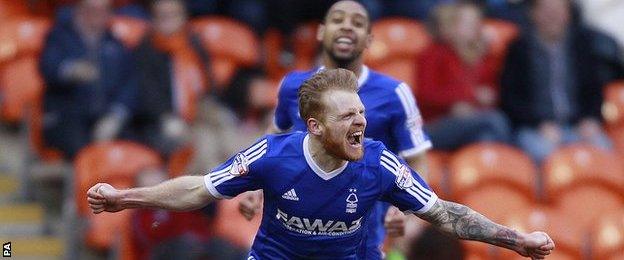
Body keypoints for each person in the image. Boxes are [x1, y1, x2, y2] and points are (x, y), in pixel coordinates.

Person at [87, 69, 555, 259]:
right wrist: (125, 198)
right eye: (347, 114)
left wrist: (516, 240)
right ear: (314, 126)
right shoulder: (273, 154)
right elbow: (199, 189)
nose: (361, 121)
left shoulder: (378, 163)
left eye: (362, 111)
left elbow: (444, 214)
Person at [240, 1, 431, 258]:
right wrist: (254, 187)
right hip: (288, 244)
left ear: (369, 39)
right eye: (338, 20)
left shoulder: (395, 94)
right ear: (320, 32)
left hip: (359, 245)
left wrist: (408, 213)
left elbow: (417, 158)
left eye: (357, 23)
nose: (347, 27)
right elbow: (274, 136)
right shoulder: (293, 86)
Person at [500, 0, 623, 163]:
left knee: (604, 152)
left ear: (568, 13)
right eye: (547, 10)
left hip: (578, 126)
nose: (553, 16)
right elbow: (510, 99)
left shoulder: (582, 45)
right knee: (543, 155)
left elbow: (595, 90)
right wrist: (538, 124)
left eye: (558, 10)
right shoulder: (519, 48)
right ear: (533, 13)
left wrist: (590, 119)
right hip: (535, 129)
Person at [39, 0, 137, 159]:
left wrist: (115, 116)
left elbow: (129, 86)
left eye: (103, 10)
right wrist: (70, 70)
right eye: (91, 9)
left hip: (105, 117)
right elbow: (47, 67)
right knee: (84, 149)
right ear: (79, 9)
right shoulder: (59, 36)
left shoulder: (116, 44)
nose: (97, 15)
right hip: (67, 117)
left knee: (134, 145)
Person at [417, 1, 511, 151]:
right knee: (495, 120)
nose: (473, 29)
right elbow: (426, 95)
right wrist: (466, 98)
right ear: (452, 25)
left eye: (476, 23)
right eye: (466, 23)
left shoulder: (482, 57)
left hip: (472, 124)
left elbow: (492, 93)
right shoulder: (433, 53)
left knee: (485, 137)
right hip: (435, 125)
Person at [127, 0, 208, 156]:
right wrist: (166, 118)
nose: (168, 20)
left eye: (173, 15)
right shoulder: (145, 49)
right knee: (201, 144)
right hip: (159, 123)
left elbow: (209, 84)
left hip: (199, 115)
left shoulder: (194, 44)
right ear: (153, 19)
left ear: (184, 17)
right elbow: (146, 95)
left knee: (227, 136)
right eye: (162, 16)